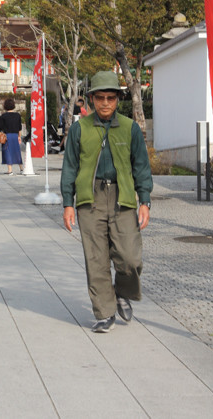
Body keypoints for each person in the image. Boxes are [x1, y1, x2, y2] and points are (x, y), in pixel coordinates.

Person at [61, 71, 152, 333]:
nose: (104, 103)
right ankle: (104, 312)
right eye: (99, 97)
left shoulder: (130, 128)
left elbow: (141, 166)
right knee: (96, 258)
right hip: (90, 200)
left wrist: (144, 200)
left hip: (123, 198)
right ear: (90, 99)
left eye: (110, 98)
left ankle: (122, 292)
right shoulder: (79, 129)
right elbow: (70, 167)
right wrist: (68, 203)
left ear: (118, 99)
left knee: (130, 257)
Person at [0, 97, 25, 175]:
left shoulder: (3, 116)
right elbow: (19, 127)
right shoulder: (17, 115)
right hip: (15, 136)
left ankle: (10, 170)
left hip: (7, 136)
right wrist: (19, 136)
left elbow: (0, 127)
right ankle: (21, 168)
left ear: (5, 106)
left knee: (7, 152)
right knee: (17, 152)